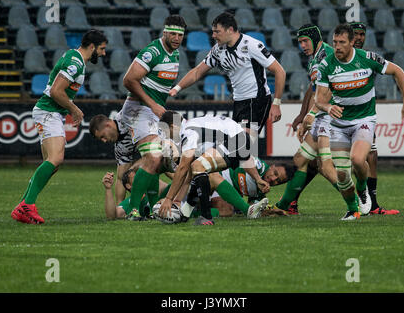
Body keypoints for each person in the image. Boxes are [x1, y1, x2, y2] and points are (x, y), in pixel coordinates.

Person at [315, 24, 404, 221]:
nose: (337, 47)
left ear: (352, 42)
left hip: (364, 120)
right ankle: (352, 209)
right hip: (338, 125)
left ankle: (362, 190)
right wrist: (328, 108)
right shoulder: (326, 65)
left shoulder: (368, 59)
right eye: (335, 42)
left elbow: (399, 72)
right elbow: (318, 99)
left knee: (357, 159)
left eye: (342, 43)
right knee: (343, 175)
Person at [11, 29, 108, 225]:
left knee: (52, 163)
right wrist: (74, 109)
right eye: (102, 49)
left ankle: (24, 205)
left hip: (50, 112)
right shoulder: (75, 63)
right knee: (56, 159)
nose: (104, 53)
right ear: (92, 47)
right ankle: (26, 205)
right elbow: (56, 91)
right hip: (49, 112)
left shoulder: (75, 59)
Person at [168, 12, 285, 134]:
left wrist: (276, 103)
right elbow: (197, 71)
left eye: (217, 32)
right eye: (213, 32)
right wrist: (177, 88)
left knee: (241, 147)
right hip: (238, 102)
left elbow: (280, 71)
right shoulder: (218, 50)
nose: (213, 35)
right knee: (239, 150)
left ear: (230, 30)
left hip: (256, 101)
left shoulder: (251, 45)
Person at [121, 15, 187, 220]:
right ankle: (132, 210)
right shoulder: (152, 52)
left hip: (154, 112)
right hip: (137, 110)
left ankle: (149, 208)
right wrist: (153, 105)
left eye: (180, 35)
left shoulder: (175, 54)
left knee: (160, 161)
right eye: (173, 34)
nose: (177, 38)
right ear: (165, 32)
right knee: (154, 157)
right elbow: (128, 80)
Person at [158, 111, 270, 225]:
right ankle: (186, 213)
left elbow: (182, 169)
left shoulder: (188, 132)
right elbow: (244, 156)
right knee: (196, 169)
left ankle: (206, 217)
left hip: (235, 140)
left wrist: (168, 199)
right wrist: (257, 179)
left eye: (166, 132)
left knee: (198, 166)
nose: (167, 136)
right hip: (238, 140)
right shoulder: (193, 126)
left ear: (173, 126)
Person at [275, 24, 339, 214]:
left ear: (315, 39)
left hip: (331, 118)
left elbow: (323, 94)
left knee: (323, 166)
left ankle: (357, 202)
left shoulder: (326, 57)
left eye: (305, 41)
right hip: (323, 116)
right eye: (300, 42)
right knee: (303, 160)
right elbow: (313, 90)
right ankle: (286, 205)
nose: (302, 45)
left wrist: (309, 117)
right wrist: (303, 114)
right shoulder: (315, 58)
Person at [349, 22, 399, 215]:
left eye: (362, 34)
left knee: (371, 157)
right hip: (340, 118)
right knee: (318, 162)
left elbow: (394, 70)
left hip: (363, 118)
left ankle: (373, 205)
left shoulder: (368, 58)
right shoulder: (337, 58)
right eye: (356, 34)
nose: (360, 38)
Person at [89, 112, 140, 205]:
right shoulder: (120, 148)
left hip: (167, 126)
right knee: (127, 174)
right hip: (156, 151)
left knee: (161, 161)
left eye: (103, 136)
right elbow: (121, 178)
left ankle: (173, 199)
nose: (104, 141)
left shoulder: (127, 115)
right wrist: (119, 207)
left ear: (108, 125)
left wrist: (133, 168)